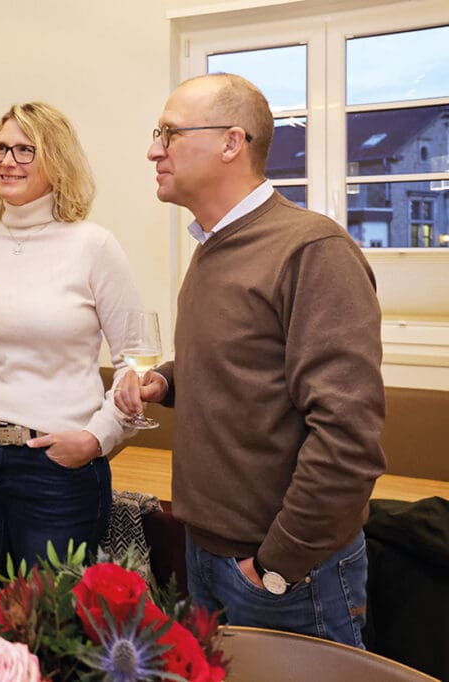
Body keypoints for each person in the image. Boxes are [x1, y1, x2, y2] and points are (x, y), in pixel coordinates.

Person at [116, 73, 386, 647]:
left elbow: (348, 438)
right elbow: (242, 366)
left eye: (168, 132)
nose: (152, 149)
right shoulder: (214, 246)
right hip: (207, 550)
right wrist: (165, 381)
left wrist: (277, 564)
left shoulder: (312, 251)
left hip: (284, 572)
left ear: (231, 143)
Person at [0, 102, 141, 643]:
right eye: (0, 148)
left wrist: (97, 438)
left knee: (51, 634)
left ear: (56, 162)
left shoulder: (93, 246)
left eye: (25, 150)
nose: (8, 161)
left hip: (55, 468)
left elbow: (138, 360)